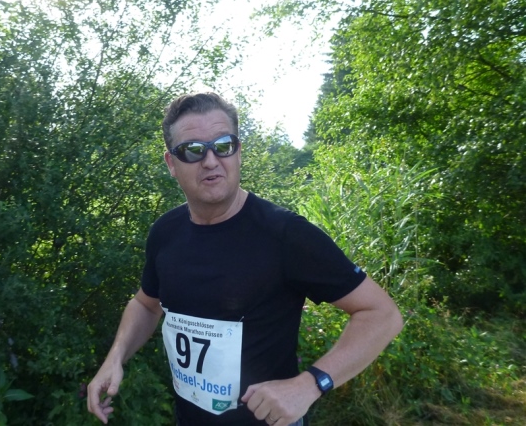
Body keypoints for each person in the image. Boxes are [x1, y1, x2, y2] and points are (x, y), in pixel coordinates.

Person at [87, 92, 403, 425]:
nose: (211, 161)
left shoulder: (285, 234)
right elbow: (146, 304)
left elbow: (381, 314)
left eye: (223, 145)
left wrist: (310, 384)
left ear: (238, 152)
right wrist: (115, 357)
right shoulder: (165, 232)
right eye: (193, 150)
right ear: (171, 164)